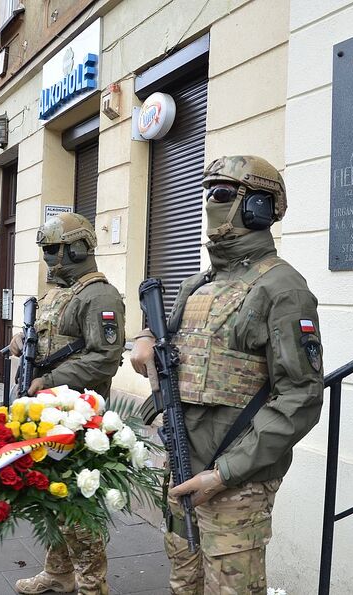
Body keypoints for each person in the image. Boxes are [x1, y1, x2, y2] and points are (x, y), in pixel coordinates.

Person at [129, 155, 324, 595]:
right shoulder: (197, 285)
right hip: (182, 461)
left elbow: (301, 397)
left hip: (237, 479)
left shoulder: (283, 288)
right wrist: (143, 338)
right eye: (210, 193)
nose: (209, 204)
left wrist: (223, 474)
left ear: (257, 206)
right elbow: (168, 340)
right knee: (184, 580)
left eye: (221, 194)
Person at [12, 213, 125, 595]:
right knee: (53, 497)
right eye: (46, 249)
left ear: (78, 248)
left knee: (79, 505)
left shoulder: (100, 296)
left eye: (53, 249)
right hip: (51, 415)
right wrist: (21, 342)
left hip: (81, 420)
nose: (48, 257)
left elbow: (104, 357)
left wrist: (50, 380)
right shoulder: (58, 293)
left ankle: (92, 584)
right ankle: (58, 573)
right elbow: (49, 341)